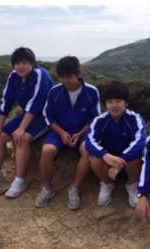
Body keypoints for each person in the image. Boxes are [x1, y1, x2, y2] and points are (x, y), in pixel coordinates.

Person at [0, 47, 53, 198]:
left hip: (45, 115)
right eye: (17, 63)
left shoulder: (41, 75)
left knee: (22, 138)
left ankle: (20, 180)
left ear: (32, 63)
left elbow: (36, 103)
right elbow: (6, 101)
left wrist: (21, 128)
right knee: (0, 136)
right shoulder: (14, 76)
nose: (20, 66)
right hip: (27, 114)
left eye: (25, 63)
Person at [35, 56, 101, 210]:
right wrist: (61, 132)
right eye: (62, 77)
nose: (66, 81)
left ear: (78, 74)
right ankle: (47, 188)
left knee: (87, 150)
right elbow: (48, 116)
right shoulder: (55, 92)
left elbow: (95, 118)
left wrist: (80, 133)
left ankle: (74, 189)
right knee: (47, 150)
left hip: (83, 131)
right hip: (59, 130)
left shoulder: (91, 91)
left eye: (70, 77)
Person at [85, 81, 147, 208]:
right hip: (108, 163)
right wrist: (105, 155)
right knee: (93, 157)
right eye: (110, 102)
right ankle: (107, 184)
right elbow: (90, 141)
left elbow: (141, 141)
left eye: (118, 101)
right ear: (105, 104)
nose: (114, 105)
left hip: (128, 162)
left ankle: (132, 184)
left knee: (139, 155)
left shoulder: (135, 118)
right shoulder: (99, 120)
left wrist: (122, 160)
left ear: (126, 103)